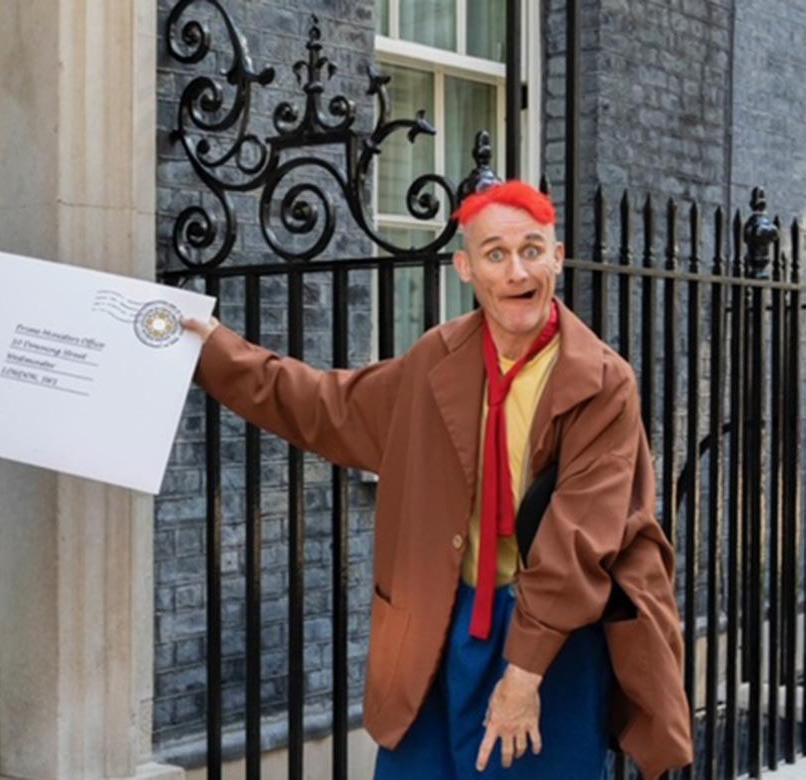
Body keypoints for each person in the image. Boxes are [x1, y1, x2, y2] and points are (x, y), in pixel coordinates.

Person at [182, 181, 692, 779]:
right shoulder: (436, 359)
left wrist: (523, 675)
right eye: (495, 254)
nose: (516, 270)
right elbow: (325, 406)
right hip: (438, 622)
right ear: (465, 268)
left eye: (532, 250)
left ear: (558, 255)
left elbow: (578, 541)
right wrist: (212, 350)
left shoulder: (603, 383)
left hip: (548, 635)